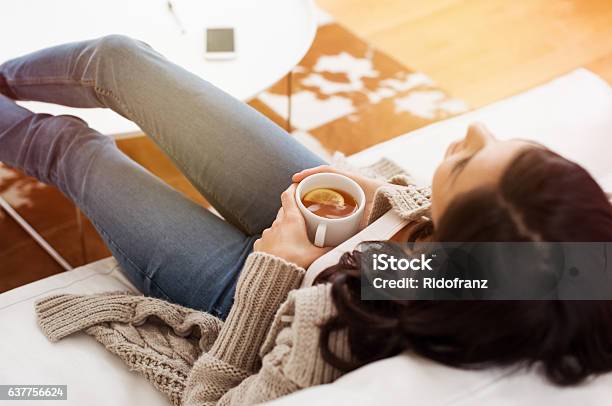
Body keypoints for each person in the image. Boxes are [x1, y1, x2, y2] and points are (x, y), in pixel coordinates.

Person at [2, 36, 612, 405]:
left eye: (465, 162)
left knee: (70, 149)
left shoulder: (336, 334)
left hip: (255, 293)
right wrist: (390, 203)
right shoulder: (550, 259)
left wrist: (276, 268)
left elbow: (216, 397)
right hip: (342, 227)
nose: (474, 129)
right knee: (118, 58)